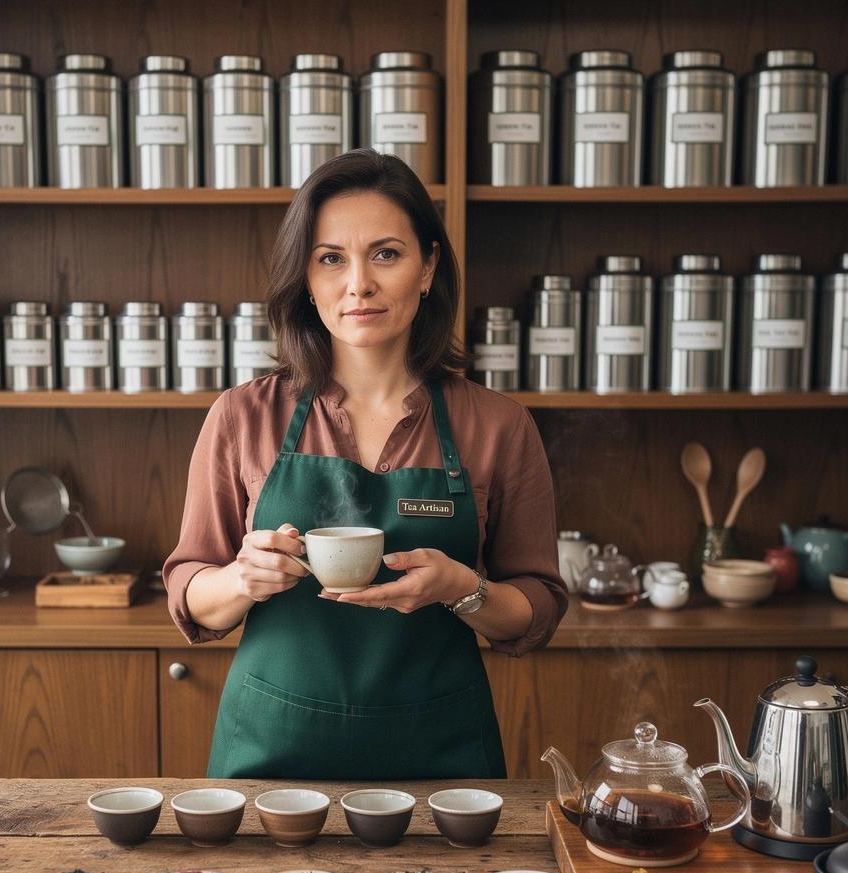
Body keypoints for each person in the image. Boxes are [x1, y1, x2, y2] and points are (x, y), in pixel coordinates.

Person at [163, 149, 567, 780]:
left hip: (442, 766)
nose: (359, 284)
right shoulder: (243, 415)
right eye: (331, 259)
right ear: (307, 277)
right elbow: (190, 592)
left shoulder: (499, 426)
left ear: (428, 266)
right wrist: (242, 579)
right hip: (272, 760)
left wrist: (463, 590)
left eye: (386, 253)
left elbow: (537, 608)